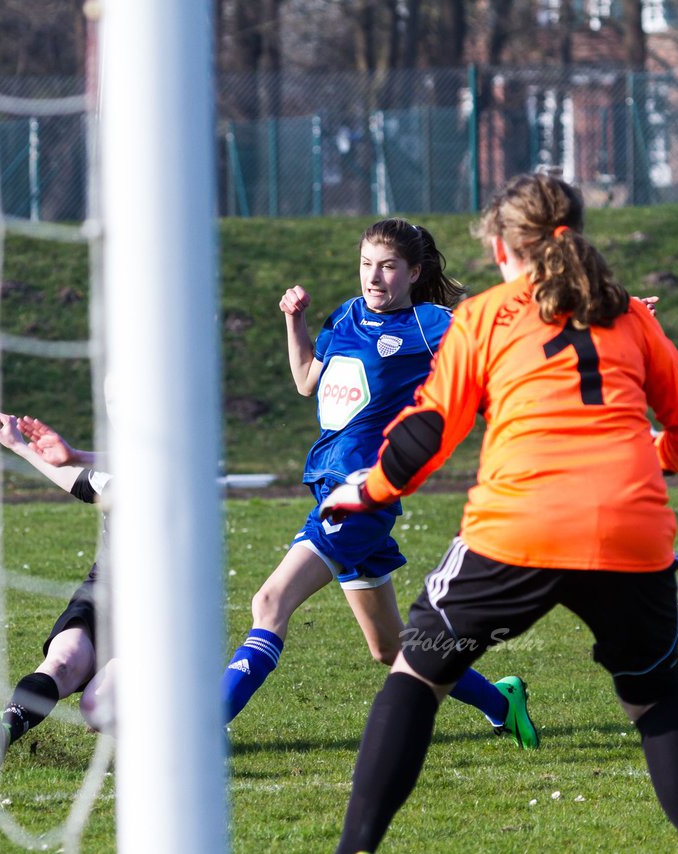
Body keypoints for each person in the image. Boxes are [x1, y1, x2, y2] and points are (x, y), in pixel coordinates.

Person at [321, 173, 678, 853]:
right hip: (631, 533)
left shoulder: (483, 315)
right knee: (656, 702)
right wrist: (643, 455)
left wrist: (368, 491)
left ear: (504, 248)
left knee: (417, 677)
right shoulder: (629, 314)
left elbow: (426, 435)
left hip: (519, 528)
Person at [220, 217, 536, 748]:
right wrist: (293, 322)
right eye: (367, 264)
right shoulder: (345, 315)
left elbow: (502, 340)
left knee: (270, 602)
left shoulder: (429, 323)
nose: (374, 277)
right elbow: (305, 383)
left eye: (388, 267)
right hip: (330, 489)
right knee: (390, 648)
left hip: (361, 500)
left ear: (413, 272)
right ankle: (502, 702)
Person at [0, 410, 116, 774]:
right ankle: (2, 734)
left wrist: (77, 454)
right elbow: (81, 483)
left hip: (166, 606)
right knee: (62, 662)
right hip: (107, 587)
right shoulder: (117, 463)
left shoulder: (181, 453)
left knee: (98, 706)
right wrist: (18, 444)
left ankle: (176, 734)